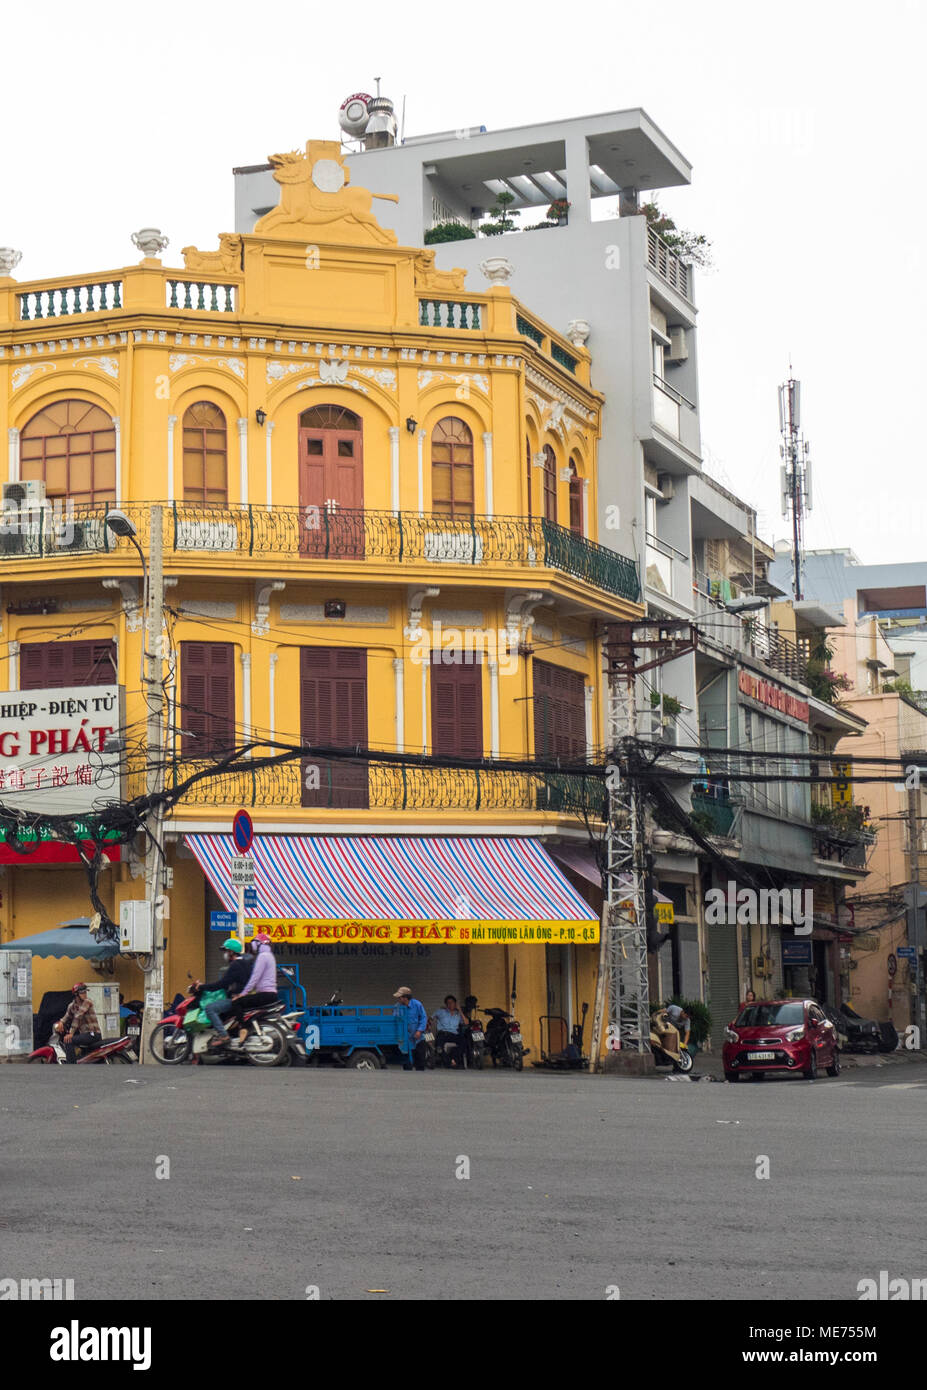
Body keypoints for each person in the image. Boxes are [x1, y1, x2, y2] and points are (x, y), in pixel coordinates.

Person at [194, 938, 253, 1050]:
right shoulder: (245, 963)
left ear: (231, 952)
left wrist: (202, 987)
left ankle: (223, 1035)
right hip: (244, 997)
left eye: (226, 951)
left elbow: (222, 984)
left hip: (237, 999)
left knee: (210, 1008)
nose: (225, 954)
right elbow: (227, 984)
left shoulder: (236, 965)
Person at [227, 933, 280, 1047]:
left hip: (265, 994)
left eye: (254, 943)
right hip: (270, 994)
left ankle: (244, 1028)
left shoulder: (263, 956)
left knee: (236, 1002)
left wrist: (243, 993)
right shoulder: (269, 955)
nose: (253, 946)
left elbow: (255, 977)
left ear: (259, 944)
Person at [54, 983, 102, 1063]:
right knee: (69, 1039)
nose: (85, 994)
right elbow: (66, 1016)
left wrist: (71, 1033)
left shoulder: (87, 1002)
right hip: (84, 1034)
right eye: (82, 993)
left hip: (93, 1034)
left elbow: (77, 1016)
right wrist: (61, 1023)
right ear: (76, 994)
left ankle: (72, 1066)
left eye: (85, 992)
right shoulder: (72, 1006)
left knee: (69, 1040)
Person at [394, 986, 428, 1071]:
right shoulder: (397, 1007)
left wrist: (419, 1031)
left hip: (418, 1039)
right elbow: (395, 1019)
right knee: (407, 1064)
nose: (398, 999)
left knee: (420, 1063)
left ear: (406, 997)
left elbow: (423, 1018)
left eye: (400, 997)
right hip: (405, 1040)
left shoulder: (417, 1004)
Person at [432, 994, 469, 1067]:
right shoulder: (441, 1011)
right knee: (439, 1047)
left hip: (454, 1034)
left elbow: (466, 1022)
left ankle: (453, 1059)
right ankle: (450, 1061)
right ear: (446, 1004)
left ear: (455, 1004)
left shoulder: (458, 1014)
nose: (450, 1004)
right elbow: (431, 1018)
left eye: (451, 1002)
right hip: (443, 1034)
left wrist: (460, 1011)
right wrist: (428, 1024)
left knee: (464, 1042)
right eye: (448, 1003)